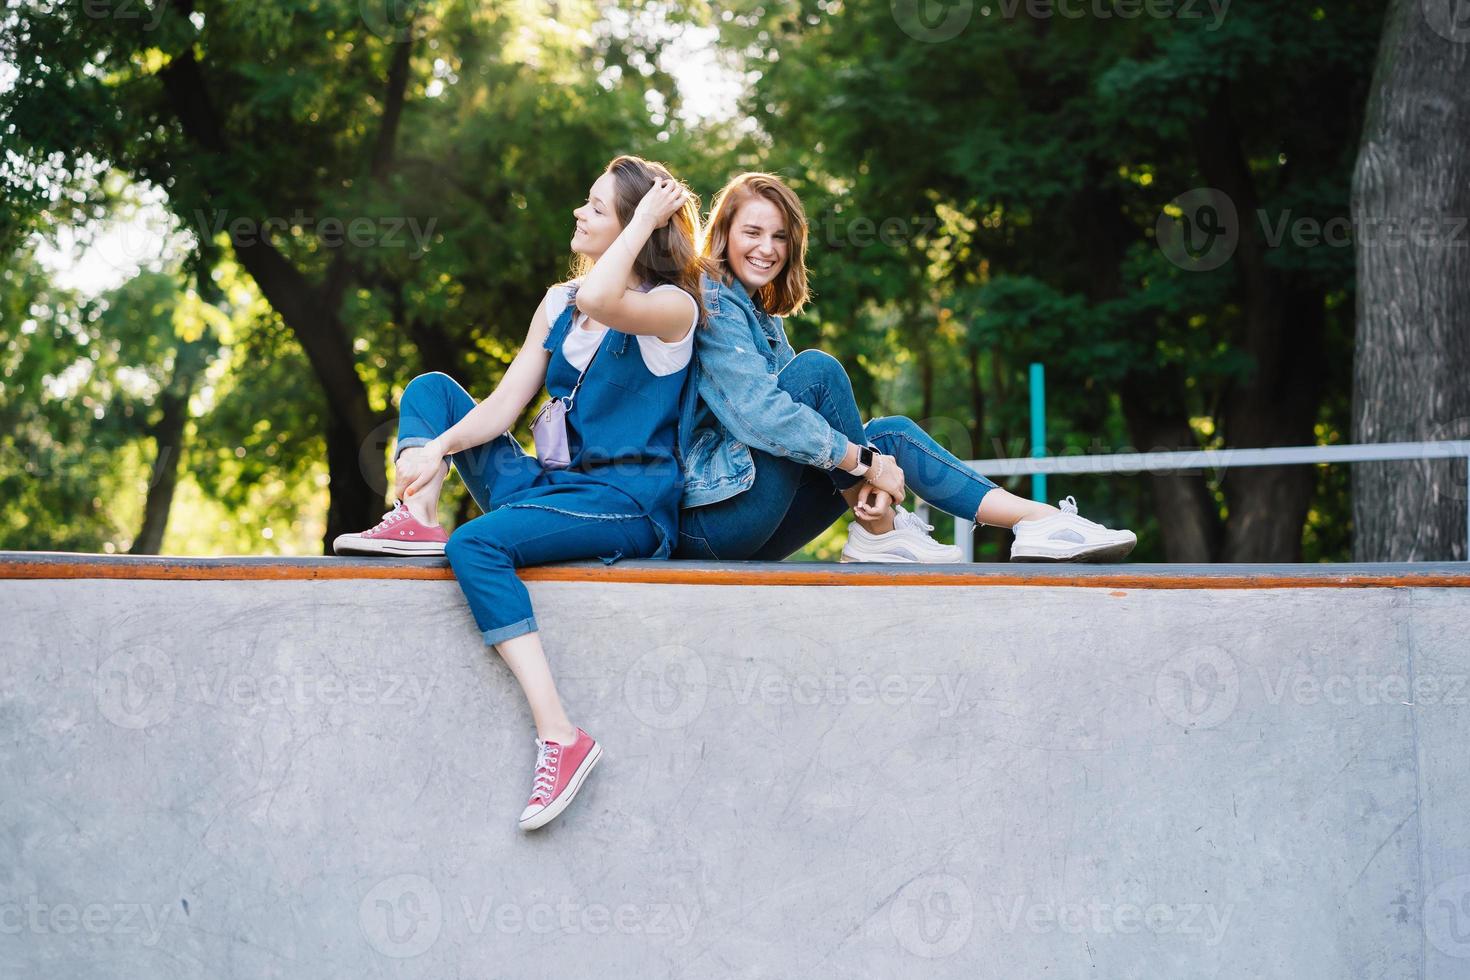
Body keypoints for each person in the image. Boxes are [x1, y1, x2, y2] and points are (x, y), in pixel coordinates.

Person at [333, 155, 705, 830]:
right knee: (433, 394)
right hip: (550, 486)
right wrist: (439, 451)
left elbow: (603, 298)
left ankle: (561, 738)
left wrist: (652, 214)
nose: (578, 214)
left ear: (632, 226)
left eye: (596, 207)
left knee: (475, 546)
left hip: (625, 503)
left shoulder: (669, 307)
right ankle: (415, 519)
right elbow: (504, 407)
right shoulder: (559, 304)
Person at [675, 172, 1136, 563]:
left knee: (891, 434)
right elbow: (759, 414)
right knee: (818, 373)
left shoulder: (760, 312)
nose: (767, 248)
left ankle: (1037, 521)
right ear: (724, 234)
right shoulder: (713, 297)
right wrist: (867, 465)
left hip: (752, 521)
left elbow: (807, 427)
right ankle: (884, 533)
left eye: (779, 236)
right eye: (752, 232)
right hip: (712, 521)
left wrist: (868, 467)